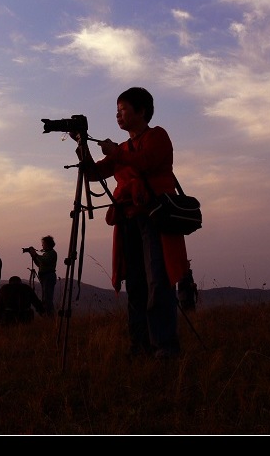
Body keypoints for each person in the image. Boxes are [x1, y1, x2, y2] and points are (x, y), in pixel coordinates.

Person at [81, 86, 188, 359]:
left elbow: (145, 163)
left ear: (141, 111)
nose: (118, 116)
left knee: (158, 282)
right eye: (117, 111)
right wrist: (82, 146)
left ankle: (164, 346)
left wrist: (115, 152)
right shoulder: (123, 148)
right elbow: (94, 174)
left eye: (123, 110)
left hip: (154, 217)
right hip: (129, 219)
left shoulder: (157, 136)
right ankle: (139, 346)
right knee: (137, 285)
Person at [26, 236, 58, 317]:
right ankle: (47, 315)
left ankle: (50, 316)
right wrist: (33, 256)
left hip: (48, 276)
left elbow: (45, 261)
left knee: (47, 298)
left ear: (47, 244)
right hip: (45, 277)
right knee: (45, 298)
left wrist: (35, 254)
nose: (42, 246)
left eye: (43, 244)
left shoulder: (52, 253)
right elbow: (39, 264)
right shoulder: (46, 254)